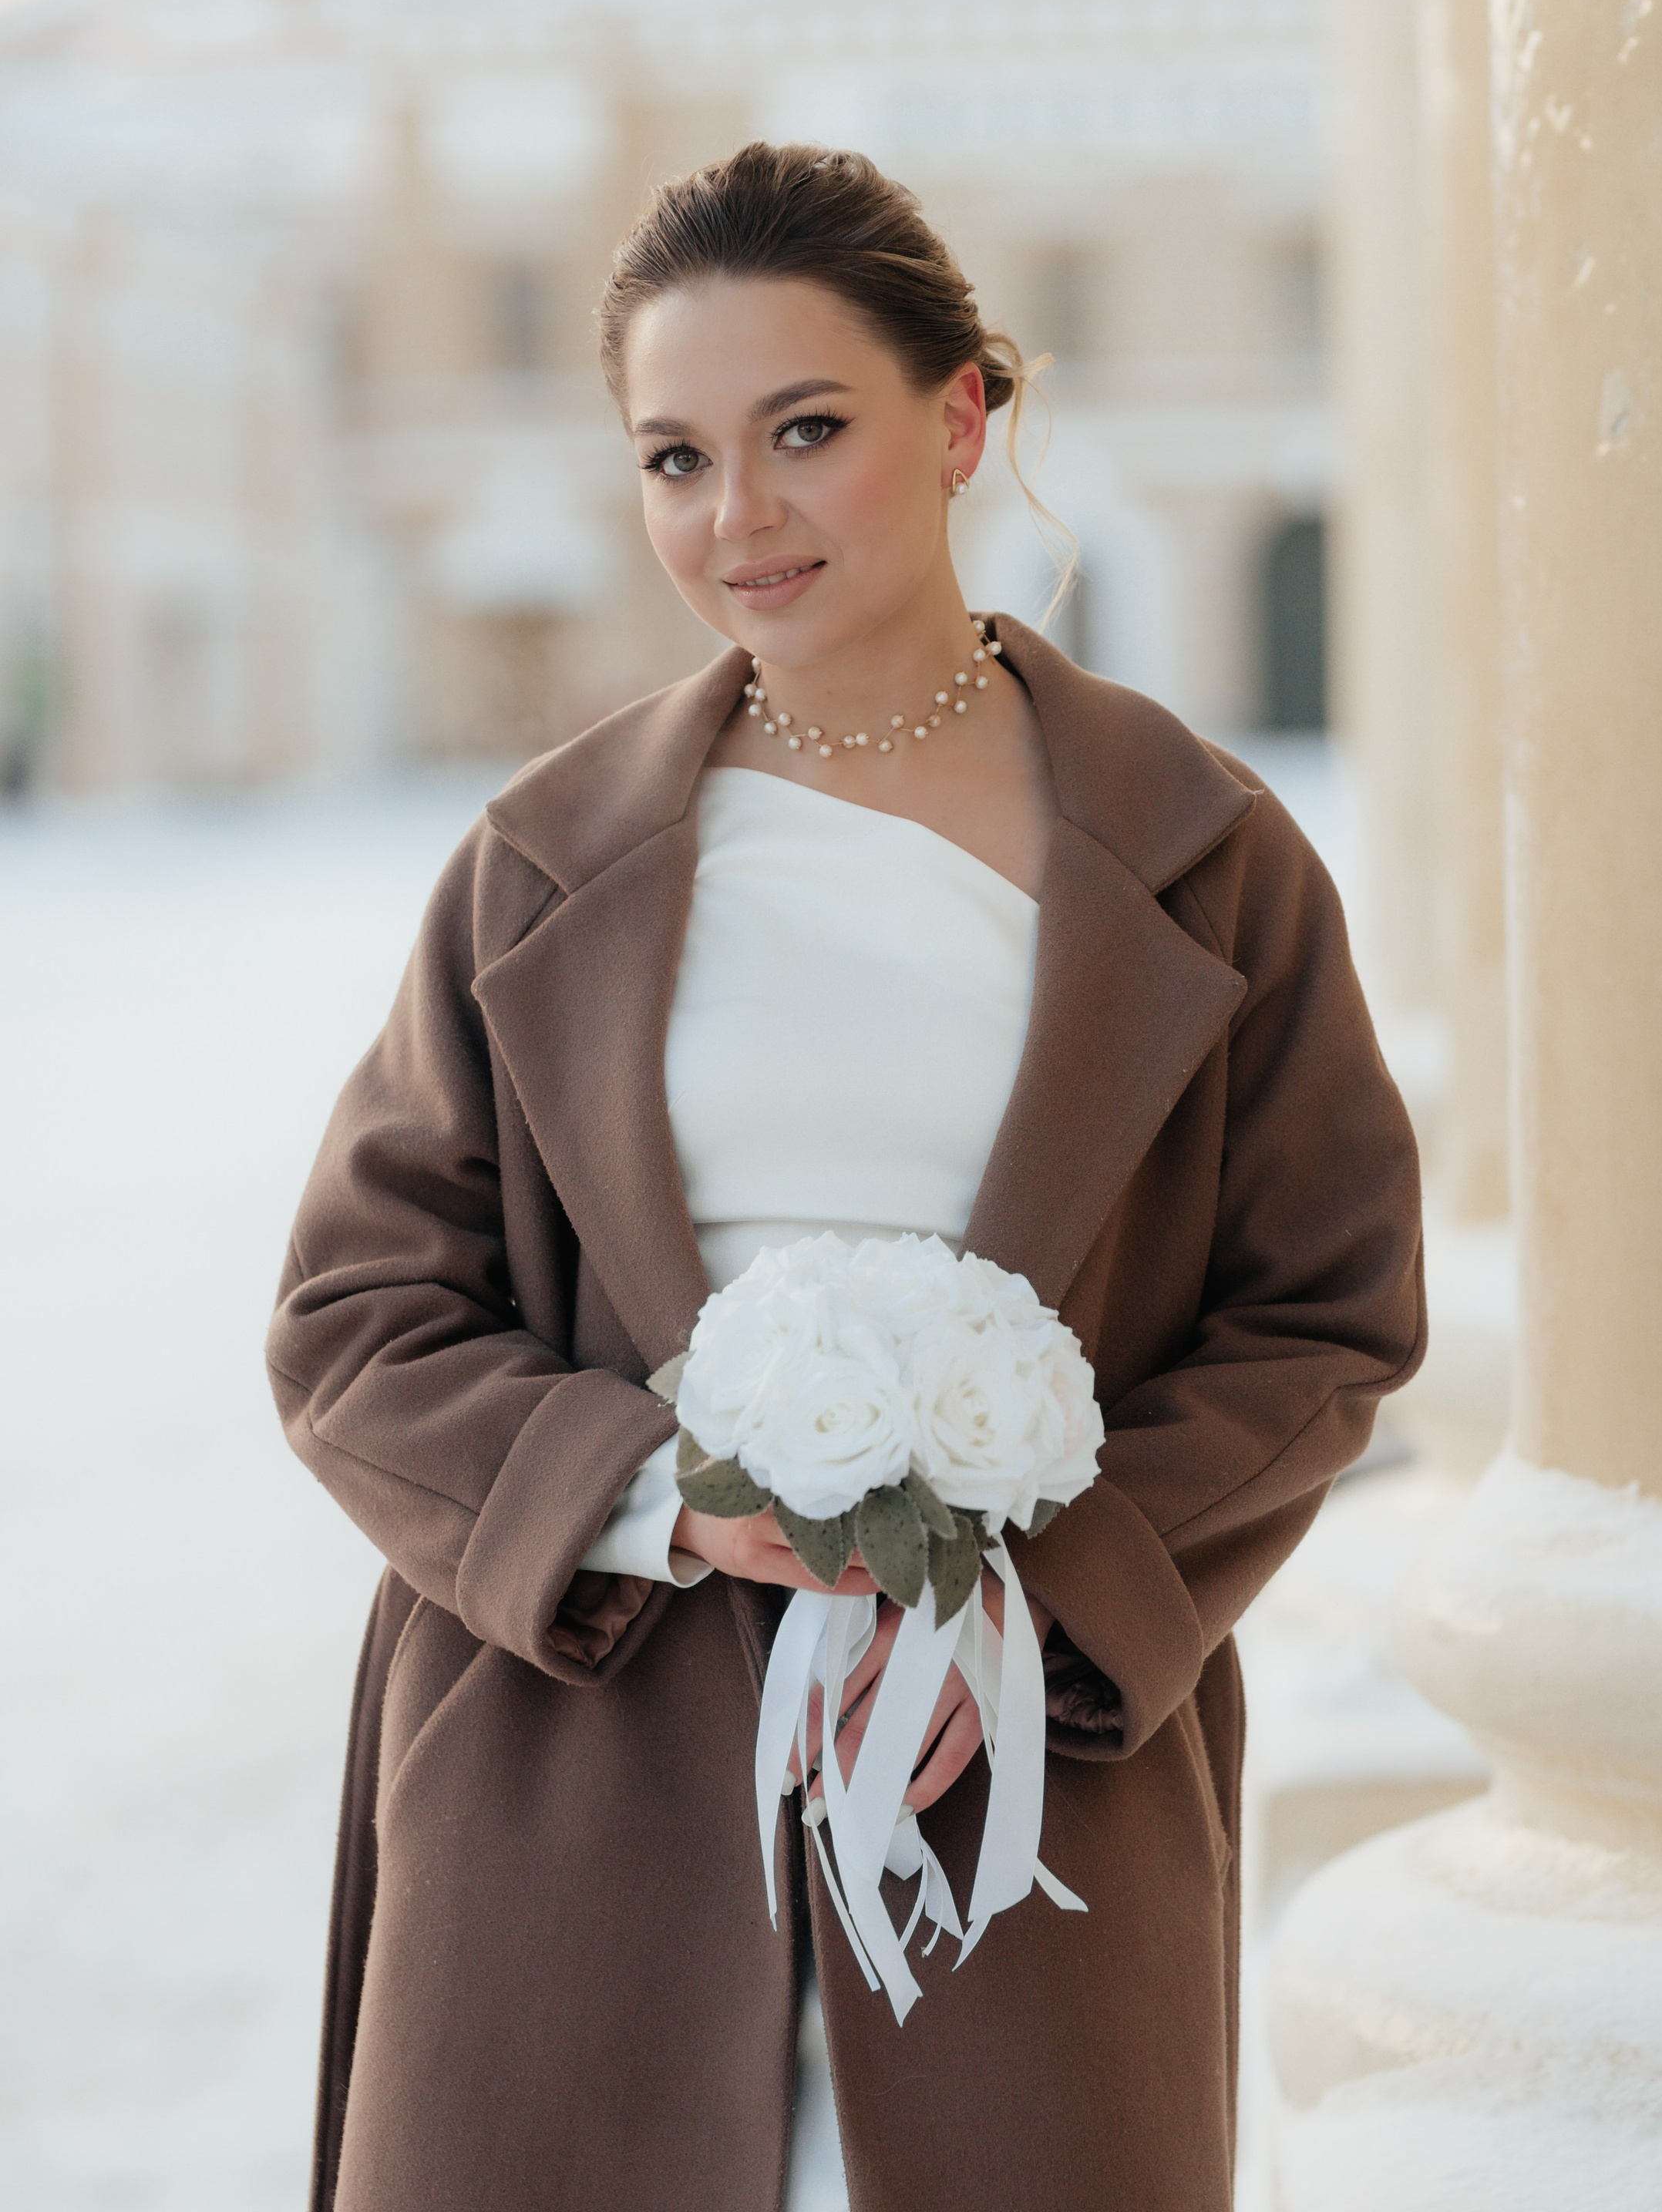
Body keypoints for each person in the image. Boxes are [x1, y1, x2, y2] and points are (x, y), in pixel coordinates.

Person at [269, 141, 1425, 2212]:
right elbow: (356, 1320)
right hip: (576, 1760)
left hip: (1031, 1781)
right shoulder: (545, 864)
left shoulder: (1208, 856)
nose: (742, 517)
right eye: (677, 456)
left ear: (962, 417)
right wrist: (663, 1508)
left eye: (808, 432)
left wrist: (1034, 1596)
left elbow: (1325, 1312)